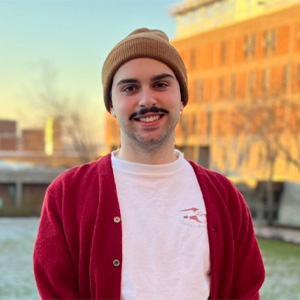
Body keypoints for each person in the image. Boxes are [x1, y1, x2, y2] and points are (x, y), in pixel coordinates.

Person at [33, 28, 265, 300]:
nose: (147, 100)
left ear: (182, 98)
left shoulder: (224, 197)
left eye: (161, 84)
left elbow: (245, 291)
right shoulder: (67, 194)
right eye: (130, 88)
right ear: (111, 105)